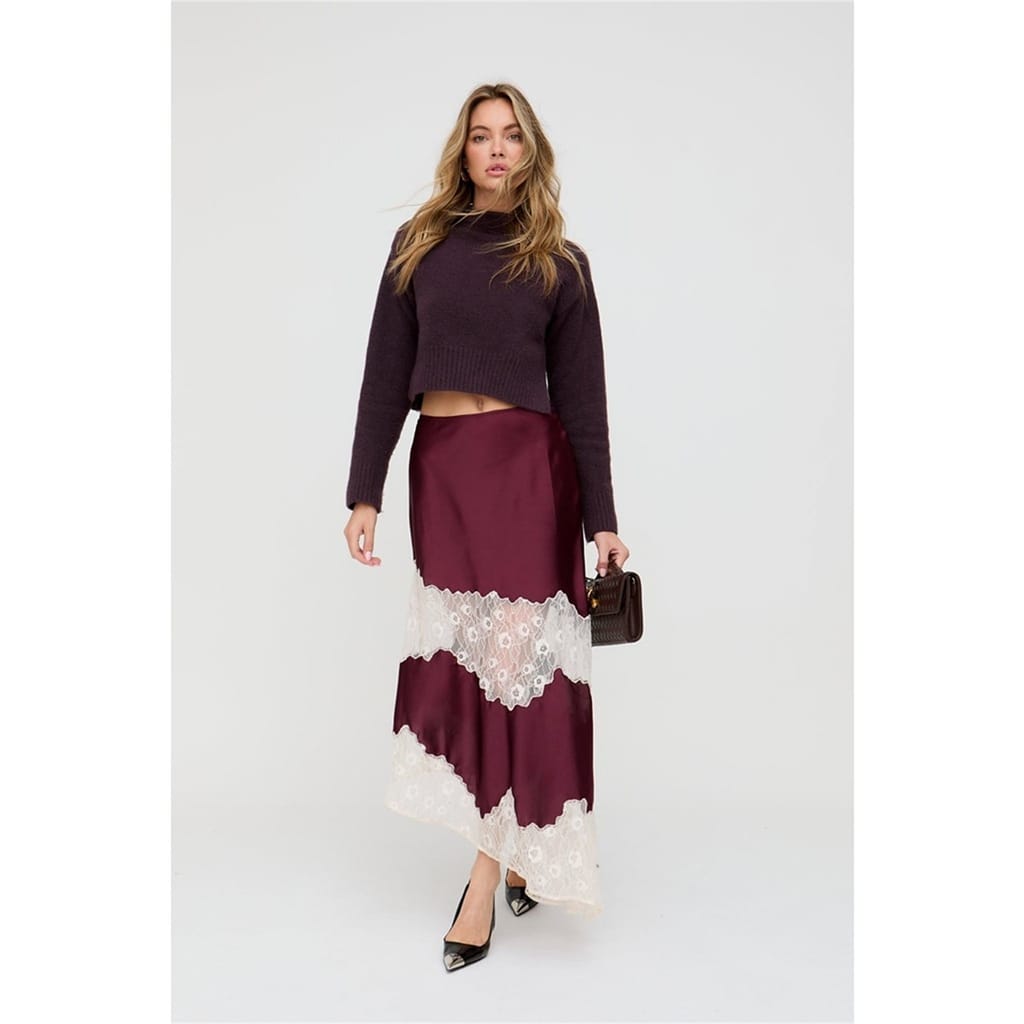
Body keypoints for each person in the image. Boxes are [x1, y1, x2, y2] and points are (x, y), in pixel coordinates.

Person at [342, 84, 630, 972]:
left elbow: (583, 402)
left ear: (530, 150)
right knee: (468, 668)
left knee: (512, 669)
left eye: (511, 135)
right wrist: (364, 491)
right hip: (445, 473)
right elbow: (384, 372)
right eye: (481, 135)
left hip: (529, 476)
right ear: (462, 149)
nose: (496, 149)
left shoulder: (560, 263)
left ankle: (482, 880)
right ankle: (510, 849)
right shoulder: (420, 244)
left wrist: (604, 521)